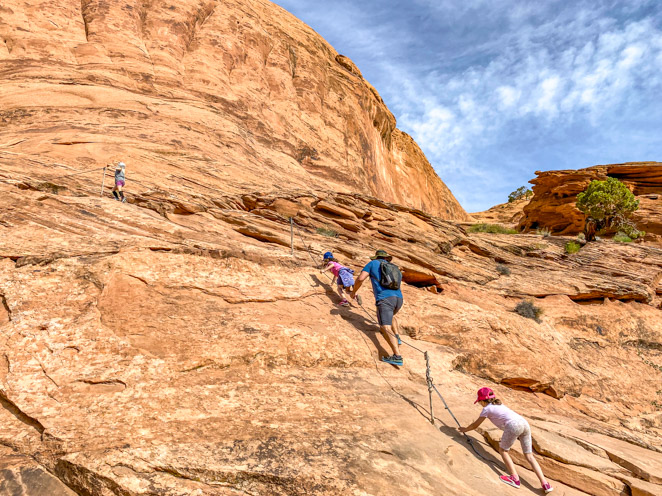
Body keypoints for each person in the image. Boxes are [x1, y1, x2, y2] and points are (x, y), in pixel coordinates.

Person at [459, 387, 554, 493]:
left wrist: (465, 429)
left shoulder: (487, 409)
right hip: (524, 424)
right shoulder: (498, 404)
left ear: (482, 400)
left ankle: (514, 479)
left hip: (513, 426)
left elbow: (475, 425)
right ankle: (545, 484)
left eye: (479, 402)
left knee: (503, 451)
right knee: (529, 456)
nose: (479, 404)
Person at [350, 249, 404, 367]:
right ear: (386, 258)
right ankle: (397, 337)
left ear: (376, 257)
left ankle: (397, 356)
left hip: (384, 298)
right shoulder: (394, 266)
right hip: (398, 298)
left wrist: (353, 292)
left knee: (385, 327)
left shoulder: (372, 264)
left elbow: (360, 279)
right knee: (392, 315)